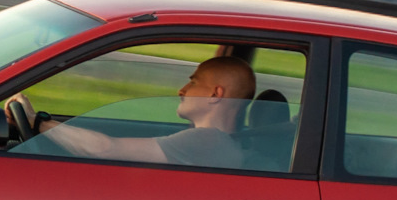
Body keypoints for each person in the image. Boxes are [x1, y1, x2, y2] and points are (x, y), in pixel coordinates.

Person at [37, 55, 255, 168]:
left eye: (194, 83)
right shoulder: (223, 143)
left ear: (215, 94)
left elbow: (104, 150)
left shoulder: (206, 141)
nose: (181, 90)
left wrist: (39, 123)